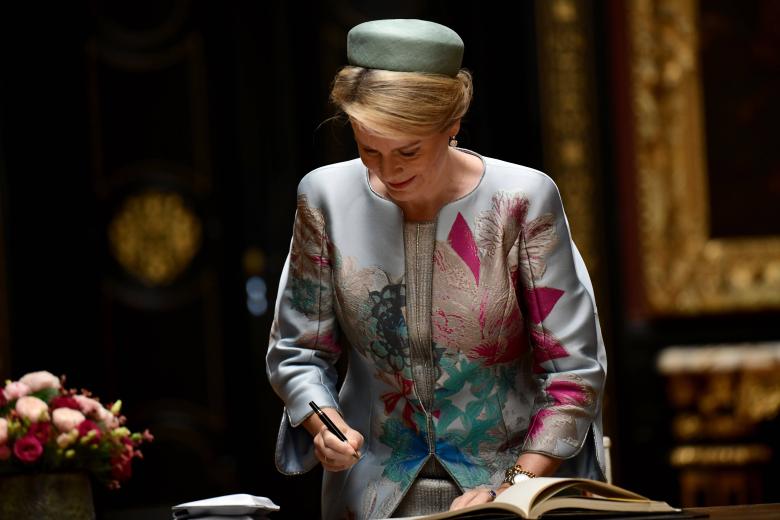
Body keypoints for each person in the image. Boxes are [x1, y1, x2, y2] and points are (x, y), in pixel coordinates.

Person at [266, 18, 607, 520]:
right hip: (372, 494)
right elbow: (299, 352)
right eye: (369, 151)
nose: (389, 170)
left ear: (452, 124)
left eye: (409, 151)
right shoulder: (325, 197)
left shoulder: (521, 200)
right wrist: (325, 426)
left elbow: (572, 373)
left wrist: (513, 491)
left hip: (514, 493)